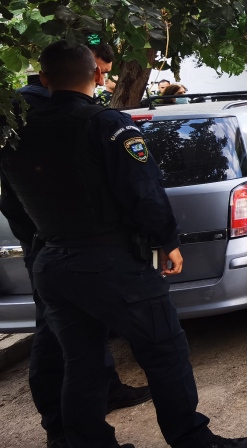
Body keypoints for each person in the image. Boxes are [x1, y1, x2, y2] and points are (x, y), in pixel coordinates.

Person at [0, 40, 247, 448]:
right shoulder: (106, 125)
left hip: (52, 263)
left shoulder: (18, 133)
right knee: (164, 351)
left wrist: (45, 245)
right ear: (98, 74)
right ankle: (192, 439)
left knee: (80, 363)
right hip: (111, 264)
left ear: (43, 79)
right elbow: (143, 190)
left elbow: (12, 203)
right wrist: (167, 241)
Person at [11, 43, 151, 448]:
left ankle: (104, 394)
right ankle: (59, 428)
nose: (100, 81)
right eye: (98, 71)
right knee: (55, 338)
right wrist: (41, 235)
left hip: (56, 242)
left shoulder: (62, 111)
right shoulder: (28, 114)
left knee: (86, 337)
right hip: (51, 241)